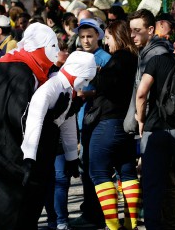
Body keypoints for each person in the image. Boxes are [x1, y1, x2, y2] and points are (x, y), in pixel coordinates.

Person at [0, 22, 61, 230]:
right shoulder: (24, 73)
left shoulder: (2, 64)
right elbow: (23, 118)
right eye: (52, 46)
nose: (57, 52)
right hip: (4, 151)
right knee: (6, 211)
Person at [21, 51, 97, 229]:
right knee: (22, 203)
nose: (85, 85)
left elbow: (68, 122)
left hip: (47, 149)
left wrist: (72, 157)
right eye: (85, 79)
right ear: (78, 73)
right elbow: (35, 118)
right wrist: (29, 156)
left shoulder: (67, 90)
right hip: (32, 150)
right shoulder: (52, 87)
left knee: (37, 198)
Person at [86, 20, 139, 230]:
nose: (106, 43)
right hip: (126, 124)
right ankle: (130, 223)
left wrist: (97, 74)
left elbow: (107, 85)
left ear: (117, 36)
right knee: (127, 172)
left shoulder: (119, 59)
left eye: (107, 37)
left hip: (108, 122)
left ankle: (113, 226)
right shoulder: (135, 58)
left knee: (99, 171)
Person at [71, 18, 111, 229]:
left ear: (98, 37)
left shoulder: (104, 59)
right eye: (83, 36)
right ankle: (91, 211)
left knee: (95, 170)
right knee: (86, 168)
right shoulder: (78, 57)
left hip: (97, 119)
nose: (86, 40)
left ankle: (97, 214)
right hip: (81, 120)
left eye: (90, 36)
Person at [135, 35, 175, 230]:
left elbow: (142, 92)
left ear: (174, 44)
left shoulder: (157, 60)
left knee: (153, 184)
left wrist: (141, 120)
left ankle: (153, 226)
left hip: (156, 129)